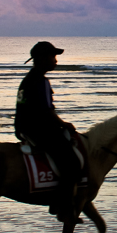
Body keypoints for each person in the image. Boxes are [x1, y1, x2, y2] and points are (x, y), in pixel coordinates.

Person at [14, 41, 81, 222]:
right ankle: (63, 207)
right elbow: (47, 111)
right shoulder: (41, 81)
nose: (56, 60)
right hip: (38, 129)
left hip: (24, 127)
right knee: (72, 163)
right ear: (43, 58)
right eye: (53, 56)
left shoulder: (28, 79)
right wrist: (64, 124)